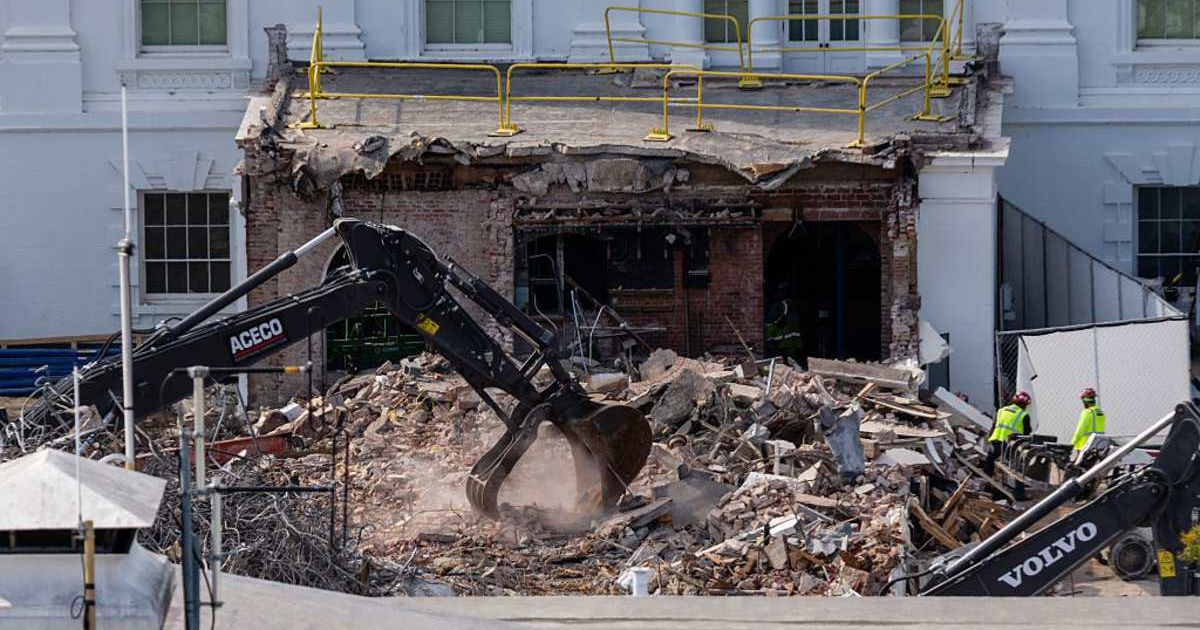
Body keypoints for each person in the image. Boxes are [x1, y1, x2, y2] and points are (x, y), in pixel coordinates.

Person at [985, 390, 1033, 476]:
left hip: (995, 441)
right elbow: (1027, 432)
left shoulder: (1001, 410)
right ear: (1024, 405)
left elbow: (994, 426)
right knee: (1016, 466)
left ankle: (987, 480)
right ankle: (1016, 487)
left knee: (990, 461)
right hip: (1010, 445)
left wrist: (989, 439)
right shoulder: (1023, 415)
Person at [1072, 387, 1106, 454]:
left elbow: (1080, 430)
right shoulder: (1100, 412)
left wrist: (1073, 442)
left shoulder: (1087, 412)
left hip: (1085, 445)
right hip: (1099, 444)